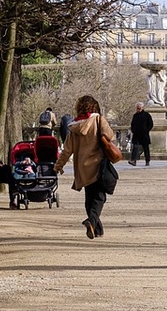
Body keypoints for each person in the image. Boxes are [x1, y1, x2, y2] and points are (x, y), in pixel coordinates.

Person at [55, 94, 118, 239]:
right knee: (100, 198)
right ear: (95, 107)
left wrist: (59, 165)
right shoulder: (98, 120)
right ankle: (91, 221)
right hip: (98, 165)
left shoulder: (74, 128)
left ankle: (97, 229)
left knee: (89, 199)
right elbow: (110, 136)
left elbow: (67, 150)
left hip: (82, 168)